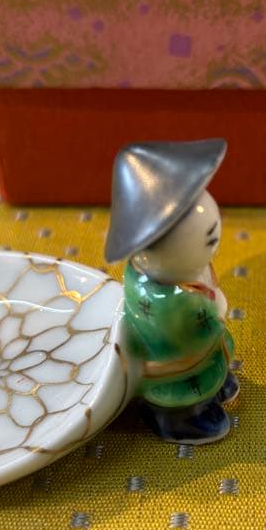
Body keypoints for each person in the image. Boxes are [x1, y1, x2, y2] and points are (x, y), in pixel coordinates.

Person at [104, 139, 238, 444]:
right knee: (187, 386)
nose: (214, 239)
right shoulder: (161, 298)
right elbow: (187, 330)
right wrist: (215, 309)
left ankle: (215, 385)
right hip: (177, 365)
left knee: (212, 363)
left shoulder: (187, 270)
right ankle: (178, 420)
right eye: (207, 239)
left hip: (205, 352)